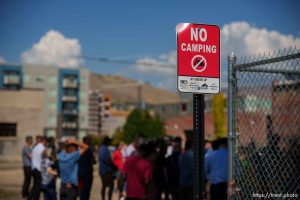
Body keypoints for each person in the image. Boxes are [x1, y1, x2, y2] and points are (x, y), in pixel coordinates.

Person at [28, 136, 46, 200]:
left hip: (34, 168)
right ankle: (33, 198)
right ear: (43, 141)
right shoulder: (43, 148)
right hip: (39, 169)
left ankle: (30, 197)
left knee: (35, 185)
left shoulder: (35, 147)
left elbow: (32, 156)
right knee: (37, 187)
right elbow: (43, 157)